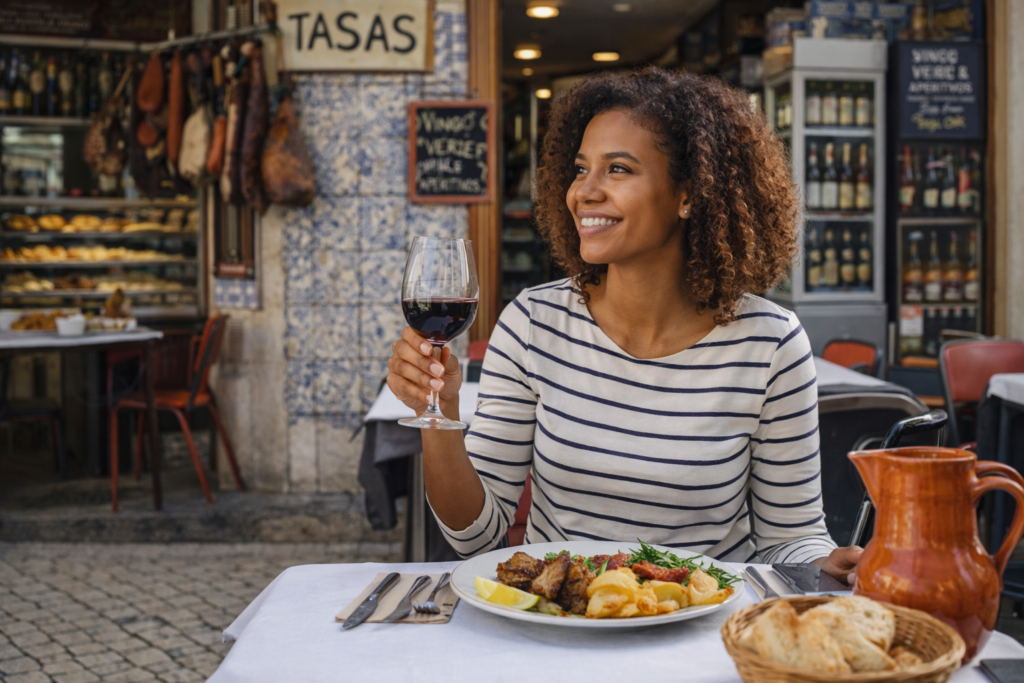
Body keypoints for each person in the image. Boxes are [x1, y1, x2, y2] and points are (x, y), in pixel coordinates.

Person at [387, 67, 861, 583]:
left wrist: (824, 561)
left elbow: (788, 538)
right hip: (560, 620)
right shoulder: (532, 323)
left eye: (617, 169)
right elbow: (475, 536)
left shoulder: (770, 343)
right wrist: (440, 415)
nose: (584, 192)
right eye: (580, 168)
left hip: (701, 627)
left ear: (688, 194)